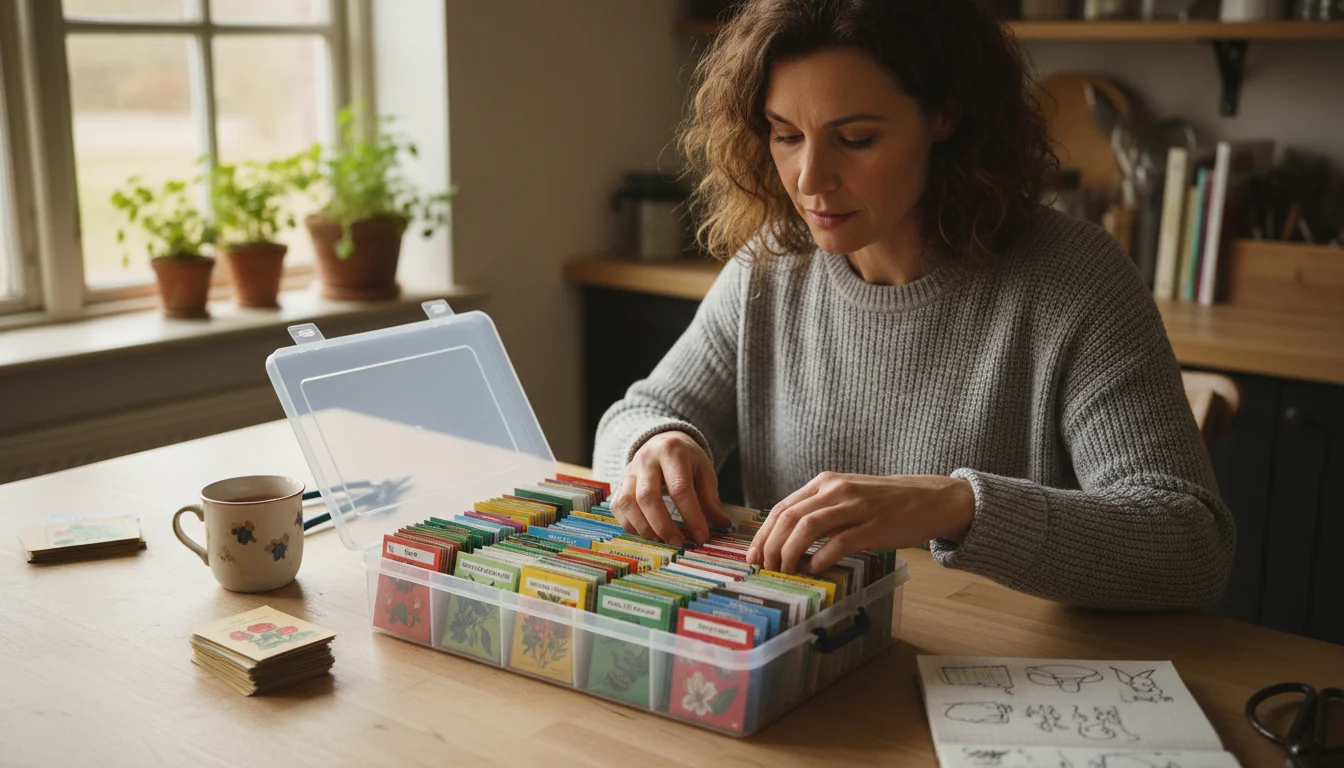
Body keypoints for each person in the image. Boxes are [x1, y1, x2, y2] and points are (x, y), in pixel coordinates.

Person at [592, 0, 1234, 610]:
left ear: (944, 115)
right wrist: (654, 445)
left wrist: (958, 507)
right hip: (815, 663)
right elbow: (639, 413)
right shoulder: (772, 268)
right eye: (786, 135)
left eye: (857, 138)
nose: (810, 180)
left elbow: (1191, 544)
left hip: (1000, 677)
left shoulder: (1074, 278)